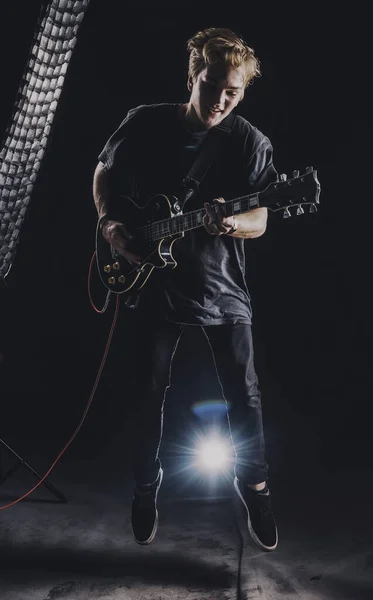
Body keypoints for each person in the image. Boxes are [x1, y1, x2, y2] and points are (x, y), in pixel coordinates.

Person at [92, 27, 279, 552]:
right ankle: (146, 488)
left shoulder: (248, 142)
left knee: (245, 395)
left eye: (233, 91)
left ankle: (257, 488)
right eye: (213, 83)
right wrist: (111, 226)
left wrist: (232, 225)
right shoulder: (146, 121)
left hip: (222, 286)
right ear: (193, 76)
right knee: (146, 394)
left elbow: (262, 216)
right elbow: (103, 172)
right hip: (152, 283)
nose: (221, 98)